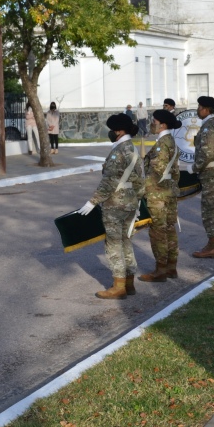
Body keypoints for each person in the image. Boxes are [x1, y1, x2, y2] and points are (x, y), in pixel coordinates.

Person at [78, 113, 144, 298]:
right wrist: (136, 200)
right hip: (130, 202)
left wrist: (92, 202)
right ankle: (129, 283)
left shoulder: (118, 151)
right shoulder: (133, 149)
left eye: (113, 130)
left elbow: (109, 182)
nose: (111, 133)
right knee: (126, 241)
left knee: (114, 244)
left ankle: (119, 286)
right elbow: (141, 180)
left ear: (120, 131)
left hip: (115, 205)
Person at [138, 109, 181, 282]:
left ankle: (160, 270)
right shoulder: (171, 141)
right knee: (170, 230)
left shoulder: (162, 143)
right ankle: (171, 267)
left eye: (154, 121)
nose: (152, 123)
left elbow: (157, 171)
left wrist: (141, 190)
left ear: (162, 124)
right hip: (169, 192)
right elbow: (175, 172)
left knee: (158, 232)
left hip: (158, 194)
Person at [191, 96, 214, 258]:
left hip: (211, 173)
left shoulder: (208, 126)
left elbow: (206, 152)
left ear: (206, 109)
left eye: (200, 107)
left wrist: (194, 168)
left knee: (210, 210)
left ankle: (213, 244)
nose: (198, 110)